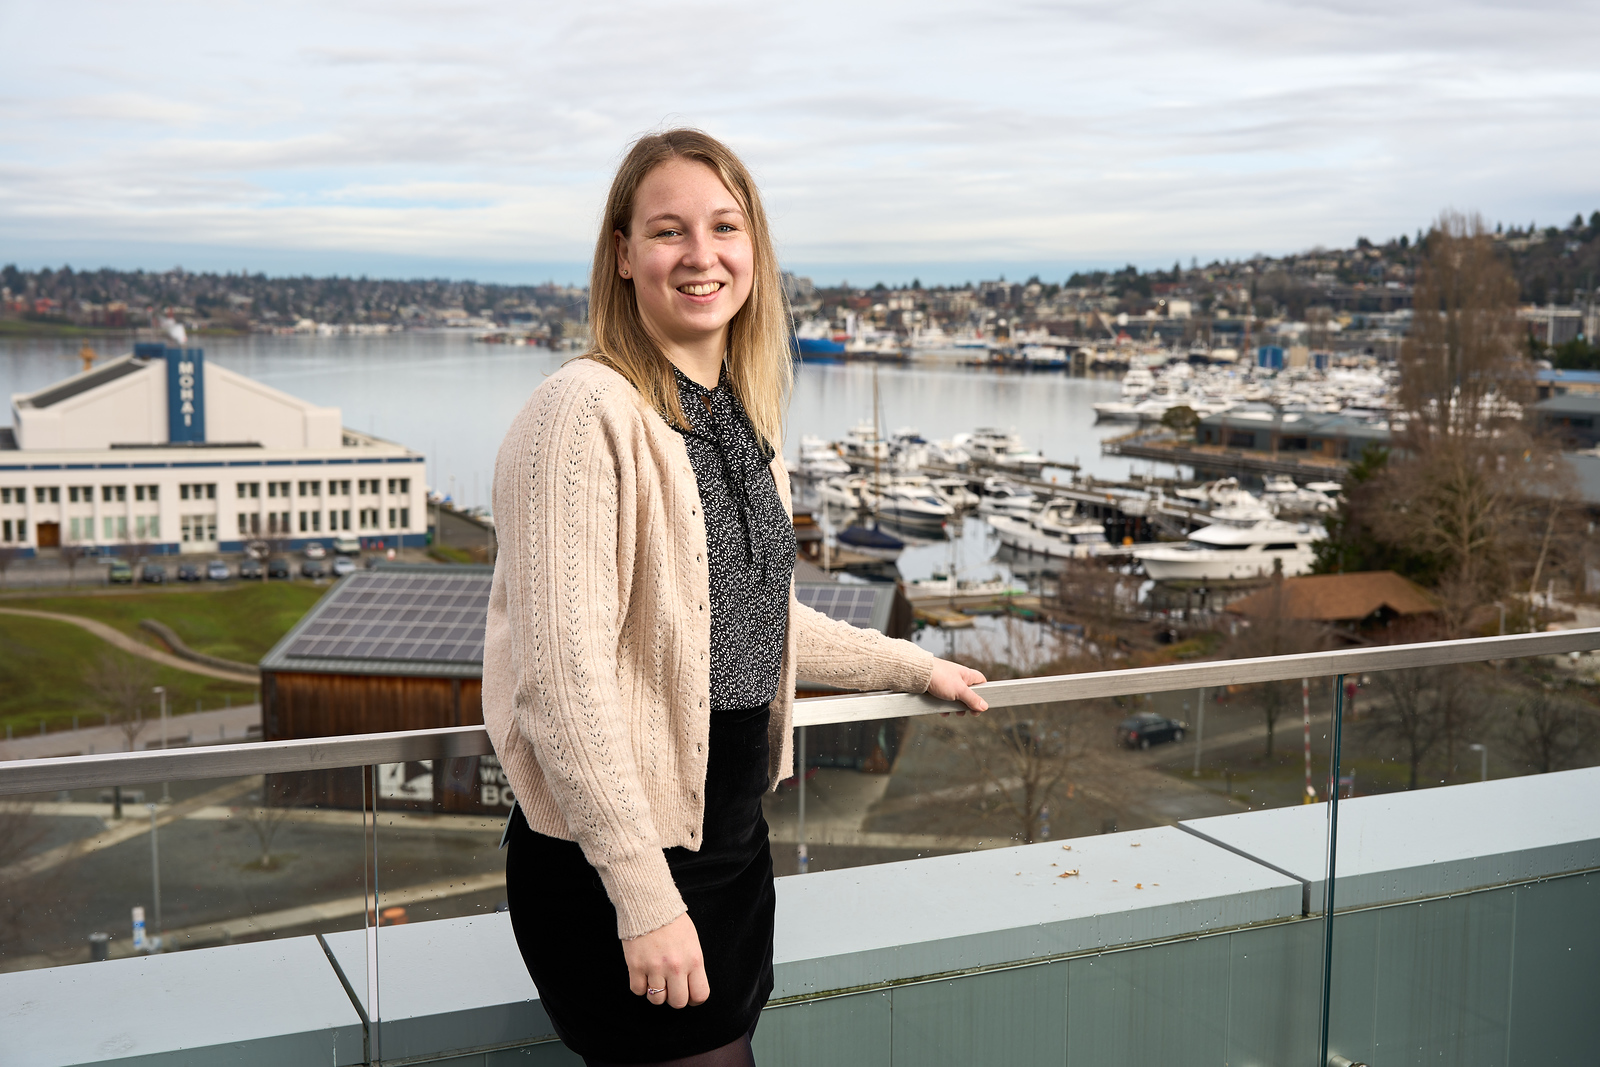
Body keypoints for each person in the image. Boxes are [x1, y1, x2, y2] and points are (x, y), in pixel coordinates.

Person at [482, 128, 988, 1067]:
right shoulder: (581, 413)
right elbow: (561, 678)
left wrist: (914, 666)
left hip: (730, 837)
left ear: (754, 249)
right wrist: (641, 894)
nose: (701, 254)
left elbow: (740, 619)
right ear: (624, 256)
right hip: (620, 856)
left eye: (724, 226)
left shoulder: (733, 418)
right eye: (668, 231)